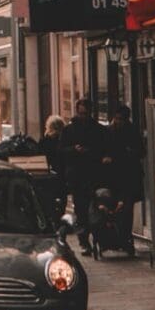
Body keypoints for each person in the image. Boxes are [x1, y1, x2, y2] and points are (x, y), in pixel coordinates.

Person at [60, 99, 106, 255]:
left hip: (94, 174)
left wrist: (92, 153)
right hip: (77, 176)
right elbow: (61, 151)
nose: (83, 116)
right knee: (81, 209)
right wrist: (74, 149)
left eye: (85, 114)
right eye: (80, 113)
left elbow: (104, 149)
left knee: (96, 208)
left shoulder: (99, 130)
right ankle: (84, 241)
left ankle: (98, 239)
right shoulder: (69, 130)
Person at [103, 106, 143, 254]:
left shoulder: (132, 131)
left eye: (122, 120)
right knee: (112, 207)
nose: (119, 122)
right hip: (112, 177)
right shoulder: (107, 132)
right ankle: (113, 238)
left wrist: (128, 153)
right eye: (117, 119)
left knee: (126, 209)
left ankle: (125, 238)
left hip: (128, 176)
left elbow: (140, 151)